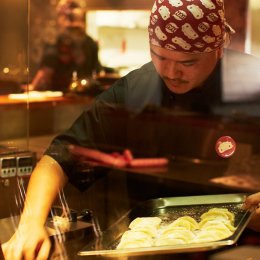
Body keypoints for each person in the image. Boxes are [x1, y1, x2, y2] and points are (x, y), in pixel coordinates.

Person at [2, 0, 260, 259]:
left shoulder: (252, 82)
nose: (170, 72)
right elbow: (59, 157)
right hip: (147, 247)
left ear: (218, 48)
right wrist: (29, 224)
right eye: (159, 56)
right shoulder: (134, 90)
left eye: (188, 62)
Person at [31, 0, 101, 92]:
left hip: (60, 100)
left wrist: (33, 88)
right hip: (84, 99)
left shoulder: (56, 41)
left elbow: (44, 76)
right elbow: (97, 73)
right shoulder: (90, 42)